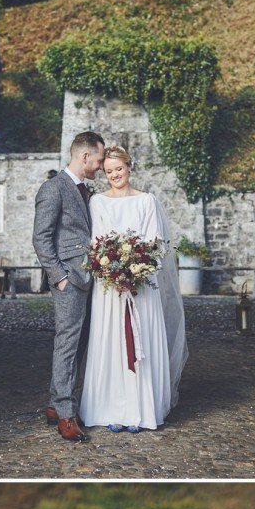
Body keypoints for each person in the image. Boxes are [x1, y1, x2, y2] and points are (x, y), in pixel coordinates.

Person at [80, 145, 188, 433]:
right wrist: (112, 271)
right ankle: (113, 409)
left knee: (144, 347)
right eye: (109, 171)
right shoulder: (98, 203)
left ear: (129, 168)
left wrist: (136, 268)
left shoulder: (146, 201)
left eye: (119, 169)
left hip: (142, 287)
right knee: (112, 344)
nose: (115, 175)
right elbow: (96, 242)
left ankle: (141, 410)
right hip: (110, 289)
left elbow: (156, 243)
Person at [33, 131, 106, 443]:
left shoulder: (85, 190)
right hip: (68, 280)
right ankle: (66, 414)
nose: (102, 166)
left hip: (88, 278)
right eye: (100, 160)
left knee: (79, 344)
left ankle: (54, 404)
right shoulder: (53, 188)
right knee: (67, 344)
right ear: (85, 156)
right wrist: (59, 276)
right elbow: (40, 237)